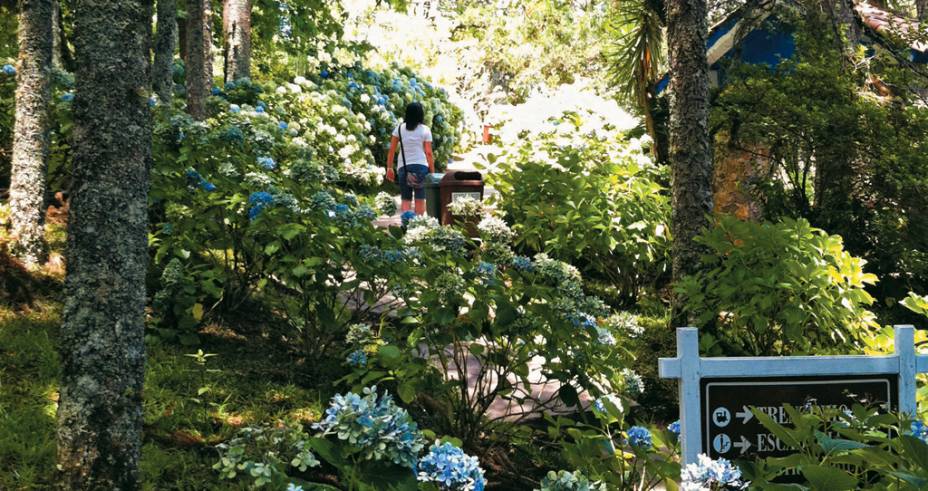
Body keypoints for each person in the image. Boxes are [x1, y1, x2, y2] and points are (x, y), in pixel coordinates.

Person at [386, 102, 435, 215]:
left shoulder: (399, 129)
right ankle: (418, 228)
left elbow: (392, 150)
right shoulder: (425, 130)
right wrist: (432, 172)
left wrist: (389, 167)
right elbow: (428, 153)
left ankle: (405, 226)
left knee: (406, 199)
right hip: (421, 167)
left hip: (404, 167)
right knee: (420, 199)